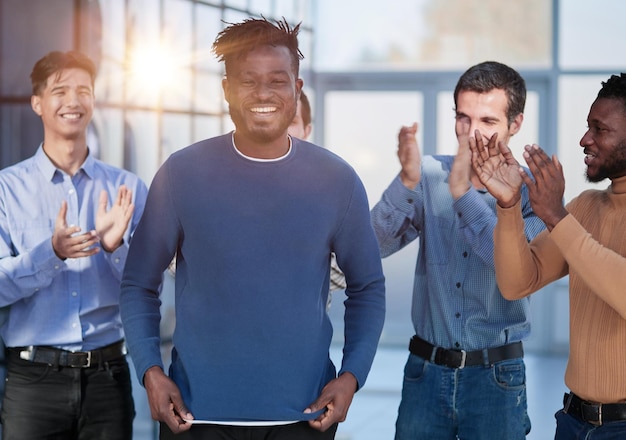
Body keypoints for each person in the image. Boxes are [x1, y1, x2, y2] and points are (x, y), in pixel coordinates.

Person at [120, 17, 385, 440]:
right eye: (248, 81)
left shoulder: (337, 180)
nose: (263, 93)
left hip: (303, 418)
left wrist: (352, 375)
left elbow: (368, 286)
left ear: (297, 90)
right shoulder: (181, 174)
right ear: (227, 89)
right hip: (195, 418)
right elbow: (138, 283)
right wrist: (150, 371)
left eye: (277, 81)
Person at [371, 61, 546, 439]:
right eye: (463, 118)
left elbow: (504, 263)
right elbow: (375, 247)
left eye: (487, 121)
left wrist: (462, 193)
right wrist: (405, 181)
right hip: (425, 373)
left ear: (515, 124)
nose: (472, 134)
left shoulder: (536, 197)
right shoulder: (428, 173)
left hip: (496, 380)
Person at [0, 50, 147, 440]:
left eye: (84, 90)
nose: (74, 101)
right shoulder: (5, 190)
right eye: (60, 90)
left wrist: (115, 249)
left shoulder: (127, 189)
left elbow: (149, 289)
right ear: (37, 103)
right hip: (33, 383)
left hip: (107, 380)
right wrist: (52, 253)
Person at [471, 72, 626, 439]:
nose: (584, 140)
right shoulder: (587, 207)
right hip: (573, 422)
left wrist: (556, 217)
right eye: (587, 127)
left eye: (599, 129)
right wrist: (508, 206)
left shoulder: (568, 217)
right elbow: (516, 283)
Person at [288, 90, 347, 296]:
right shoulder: (222, 188)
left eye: (290, 120)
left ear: (306, 131)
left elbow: (348, 271)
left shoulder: (331, 193)